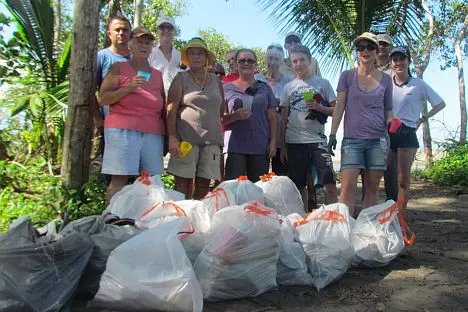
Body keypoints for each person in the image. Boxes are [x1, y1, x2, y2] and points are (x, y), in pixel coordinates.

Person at [328, 32, 393, 216]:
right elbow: (339, 105)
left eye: (370, 47)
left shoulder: (386, 80)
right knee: (347, 189)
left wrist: (392, 125)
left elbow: (388, 109)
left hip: (378, 141)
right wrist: (332, 133)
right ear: (357, 52)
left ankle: (367, 230)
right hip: (352, 141)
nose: (365, 51)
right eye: (361, 48)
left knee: (371, 190)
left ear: (376, 50)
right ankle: (344, 230)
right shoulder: (347, 76)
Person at [99, 27, 166, 201]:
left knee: (153, 181)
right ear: (130, 45)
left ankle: (149, 221)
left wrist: (167, 137)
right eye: (139, 41)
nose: (143, 46)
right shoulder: (118, 68)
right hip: (122, 129)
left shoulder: (158, 75)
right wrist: (128, 88)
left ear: (152, 47)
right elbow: (103, 98)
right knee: (119, 178)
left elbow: (163, 107)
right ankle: (111, 219)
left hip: (152, 132)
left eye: (147, 43)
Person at [389, 46, 445, 215]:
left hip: (407, 133)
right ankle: (385, 214)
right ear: (391, 63)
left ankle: (401, 218)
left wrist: (423, 118)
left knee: (403, 181)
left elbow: (440, 103)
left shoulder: (418, 84)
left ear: (408, 61)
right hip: (387, 132)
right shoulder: (386, 82)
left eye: (402, 59)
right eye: (395, 60)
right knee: (380, 177)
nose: (399, 63)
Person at [280, 45, 338, 209]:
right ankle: (301, 220)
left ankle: (333, 219)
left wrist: (319, 108)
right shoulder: (289, 87)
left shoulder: (323, 83)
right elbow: (284, 119)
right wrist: (283, 147)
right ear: (291, 64)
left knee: (329, 183)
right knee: (298, 186)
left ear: (310, 60)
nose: (299, 64)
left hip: (318, 141)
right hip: (295, 141)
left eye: (302, 60)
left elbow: (336, 111)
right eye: (294, 61)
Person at [166, 38, 224, 199]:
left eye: (200, 53)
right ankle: (180, 217)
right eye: (192, 53)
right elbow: (171, 109)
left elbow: (221, 109)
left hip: (211, 141)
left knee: (204, 182)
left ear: (206, 57)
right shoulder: (181, 78)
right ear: (187, 57)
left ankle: (197, 218)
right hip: (186, 140)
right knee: (183, 182)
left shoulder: (216, 81)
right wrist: (172, 137)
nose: (196, 57)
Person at [223, 48, 277, 182]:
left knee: (258, 188)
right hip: (234, 146)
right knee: (234, 188)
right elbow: (220, 118)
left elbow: (272, 117)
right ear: (236, 64)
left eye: (250, 60)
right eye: (242, 60)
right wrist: (234, 116)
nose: (246, 63)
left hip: (260, 146)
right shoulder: (226, 88)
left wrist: (273, 141)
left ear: (256, 65)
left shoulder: (265, 88)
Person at [92, 16, 131, 131]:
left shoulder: (138, 58)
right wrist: (97, 119)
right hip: (111, 122)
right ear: (109, 34)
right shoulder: (102, 57)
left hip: (135, 122)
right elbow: (90, 90)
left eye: (125, 30)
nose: (121, 33)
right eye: (117, 30)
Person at [264, 43, 292, 175]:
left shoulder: (289, 81)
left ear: (281, 61)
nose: (273, 62)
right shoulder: (258, 80)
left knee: (281, 176)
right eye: (270, 58)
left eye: (276, 59)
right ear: (265, 59)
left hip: (282, 135)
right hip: (262, 133)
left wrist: (282, 105)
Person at [148, 16, 181, 96]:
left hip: (176, 101)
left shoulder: (181, 56)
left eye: (169, 28)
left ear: (174, 32)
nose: (166, 30)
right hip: (154, 98)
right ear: (157, 31)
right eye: (162, 27)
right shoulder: (149, 54)